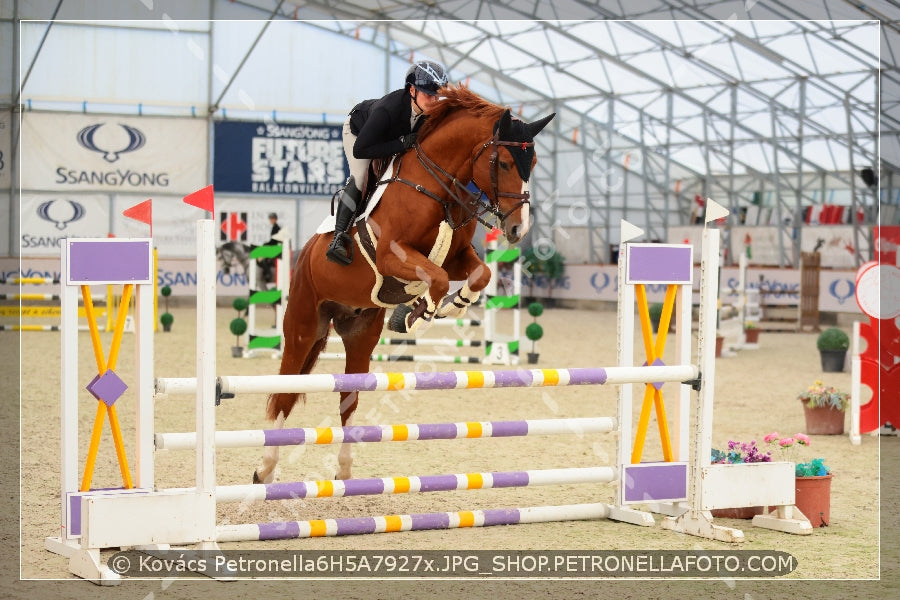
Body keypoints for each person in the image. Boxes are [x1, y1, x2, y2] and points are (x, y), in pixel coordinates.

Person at [326, 60, 449, 265]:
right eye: (429, 95)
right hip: (359, 135)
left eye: (437, 96)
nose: (434, 101)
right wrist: (400, 144)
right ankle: (338, 237)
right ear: (412, 90)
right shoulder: (388, 110)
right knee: (361, 177)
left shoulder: (429, 112)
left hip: (390, 139)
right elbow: (361, 150)